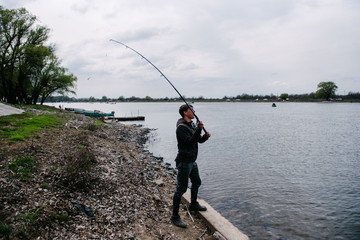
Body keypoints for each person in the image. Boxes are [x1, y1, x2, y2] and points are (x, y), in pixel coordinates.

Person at [170, 104, 211, 228]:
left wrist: (205, 136)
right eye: (191, 110)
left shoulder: (190, 124)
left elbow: (197, 140)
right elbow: (188, 142)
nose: (194, 111)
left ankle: (193, 204)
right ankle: (175, 216)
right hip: (184, 162)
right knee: (181, 189)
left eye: (193, 110)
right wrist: (199, 129)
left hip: (192, 161)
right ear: (185, 112)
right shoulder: (181, 127)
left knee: (197, 182)